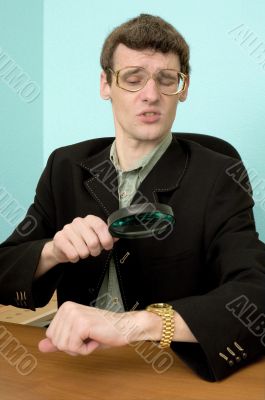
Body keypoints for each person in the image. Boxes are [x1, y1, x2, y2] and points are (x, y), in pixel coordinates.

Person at [0, 13, 265, 382]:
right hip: (76, 368)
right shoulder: (65, 166)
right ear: (105, 84)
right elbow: (4, 267)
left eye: (166, 79)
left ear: (183, 88)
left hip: (169, 373)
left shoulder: (219, 176)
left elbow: (256, 296)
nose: (151, 94)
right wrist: (52, 251)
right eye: (133, 78)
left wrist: (135, 325)